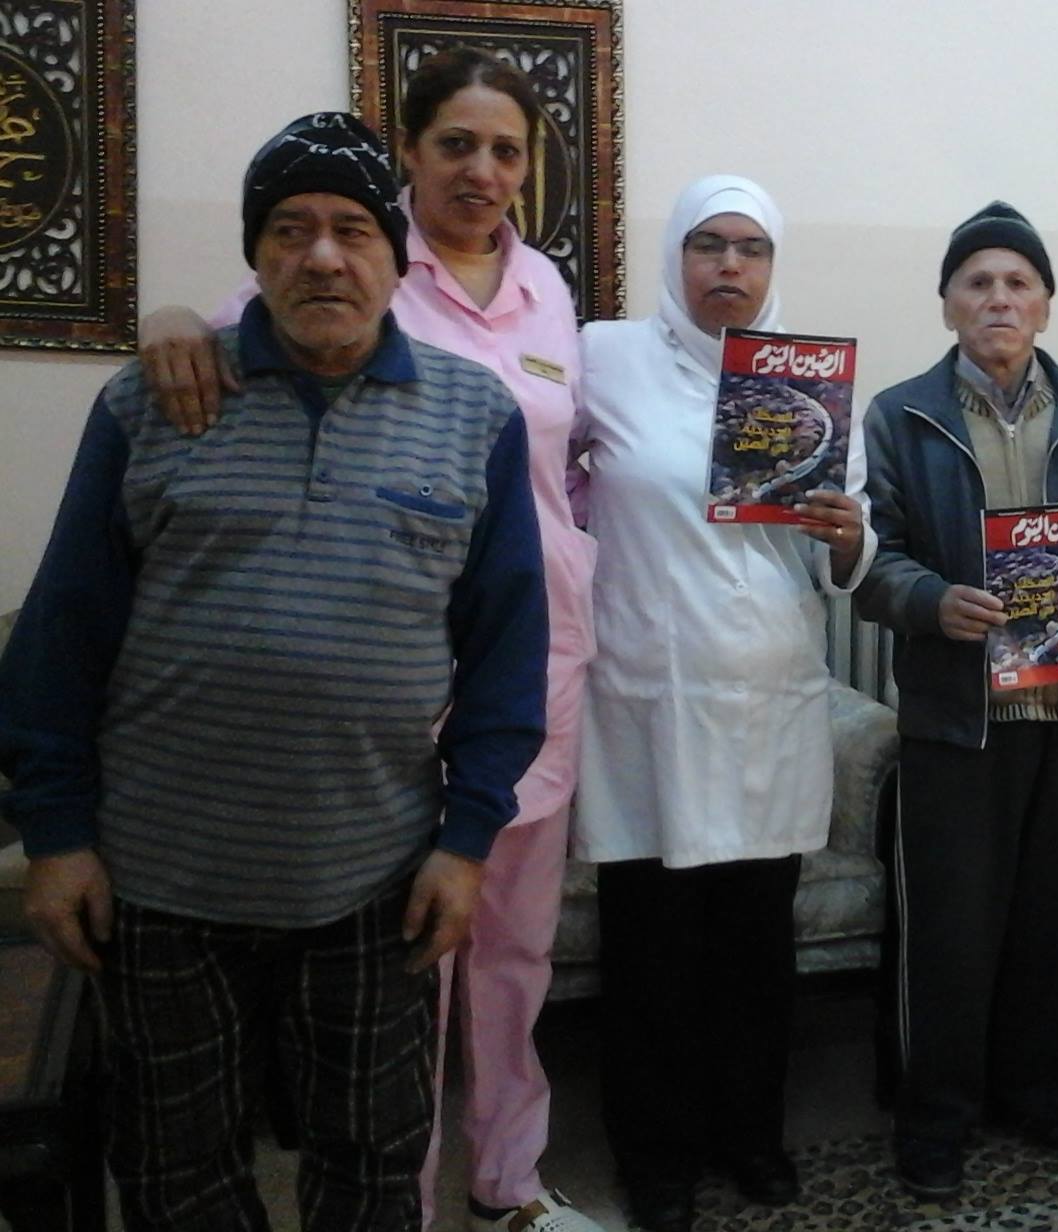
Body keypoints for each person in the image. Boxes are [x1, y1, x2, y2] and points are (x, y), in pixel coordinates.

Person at [0, 112, 549, 1232]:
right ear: (255, 254)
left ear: (398, 256)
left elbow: (507, 649)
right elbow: (59, 635)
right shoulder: (155, 401)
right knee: (176, 1174)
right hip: (162, 880)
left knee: (373, 1167)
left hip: (375, 880)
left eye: (354, 229)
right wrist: (54, 833)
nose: (323, 257)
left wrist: (467, 840)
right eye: (290, 230)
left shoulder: (474, 416)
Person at [135, 49, 602, 1232]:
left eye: (506, 150)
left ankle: (508, 1181)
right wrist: (166, 318)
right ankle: (405, 1199)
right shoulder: (360, 255)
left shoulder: (547, 289)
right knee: (404, 974)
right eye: (456, 144)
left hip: (532, 669)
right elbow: (229, 334)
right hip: (386, 684)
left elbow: (571, 463)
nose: (482, 171)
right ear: (411, 153)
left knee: (514, 952)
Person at [571, 174, 872, 1232]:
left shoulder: (808, 382)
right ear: (675, 256)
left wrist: (849, 534)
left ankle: (750, 1133)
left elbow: (848, 551)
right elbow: (530, 452)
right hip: (647, 700)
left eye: (752, 248)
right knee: (651, 947)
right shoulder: (604, 356)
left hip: (763, 695)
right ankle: (654, 1154)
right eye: (708, 245)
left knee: (753, 946)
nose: (730, 266)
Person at [856, 201, 1058, 1198]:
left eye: (1017, 282)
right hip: (957, 718)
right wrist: (931, 601)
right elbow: (873, 558)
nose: (999, 298)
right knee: (948, 935)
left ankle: (1043, 1098)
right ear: (947, 302)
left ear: (1045, 302)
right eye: (977, 282)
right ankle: (933, 1120)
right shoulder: (900, 416)